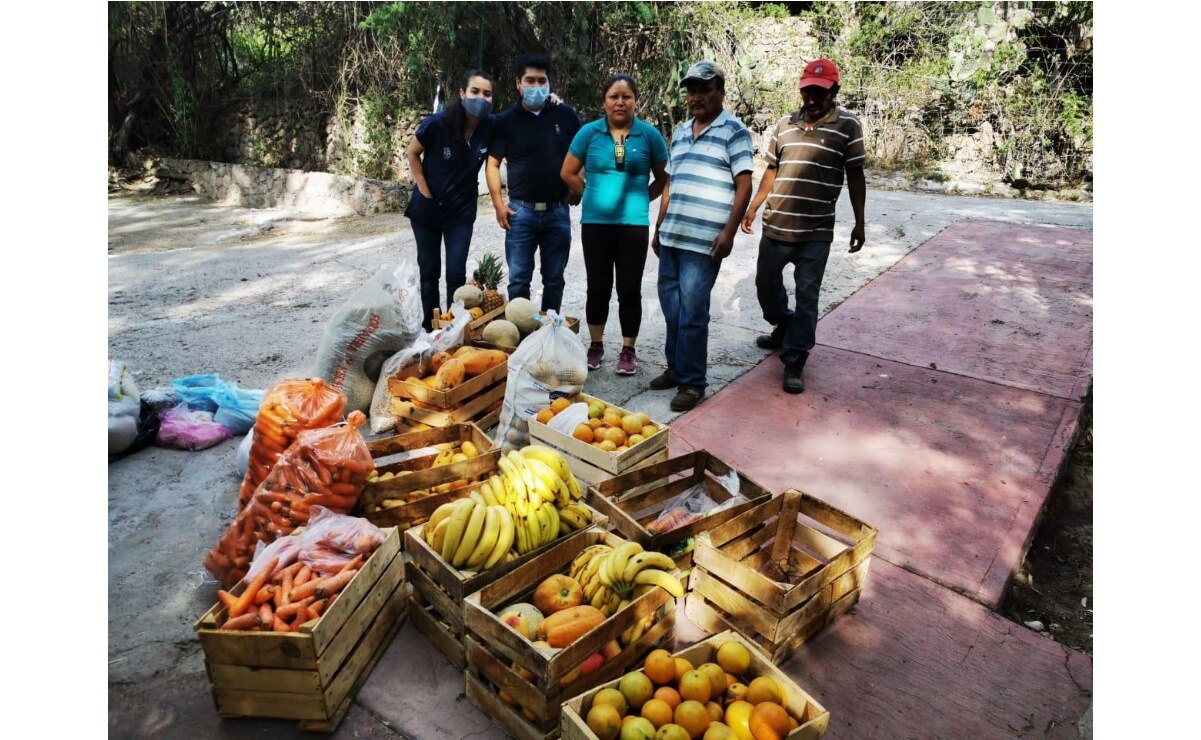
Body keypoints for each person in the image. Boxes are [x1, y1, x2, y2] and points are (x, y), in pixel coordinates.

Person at [741, 58, 866, 394]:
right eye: (807, 91)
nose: (811, 99)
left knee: (808, 296)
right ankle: (783, 323)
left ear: (834, 91)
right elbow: (771, 170)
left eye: (819, 93)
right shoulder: (784, 124)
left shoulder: (848, 127)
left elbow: (855, 176)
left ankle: (795, 359)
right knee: (765, 286)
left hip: (816, 232)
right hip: (776, 225)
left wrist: (860, 222)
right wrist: (753, 206)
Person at [649, 61, 754, 411]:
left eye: (704, 89)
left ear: (720, 91)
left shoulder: (734, 131)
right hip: (673, 236)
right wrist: (659, 226)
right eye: (692, 90)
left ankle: (693, 383)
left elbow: (744, 184)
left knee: (693, 312)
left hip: (704, 242)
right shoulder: (679, 132)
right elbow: (670, 183)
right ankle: (676, 368)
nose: (697, 97)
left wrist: (730, 232)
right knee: (672, 309)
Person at [560, 74, 669, 375]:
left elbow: (664, 177)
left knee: (629, 289)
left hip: (633, 226)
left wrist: (642, 199)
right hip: (596, 224)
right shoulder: (589, 133)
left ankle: (628, 349)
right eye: (614, 97)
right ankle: (596, 345)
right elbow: (568, 172)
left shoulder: (649, 135)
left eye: (627, 96)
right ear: (604, 102)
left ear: (636, 100)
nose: (620, 102)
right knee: (598, 287)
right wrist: (590, 193)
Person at [485, 54, 582, 314]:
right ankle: (521, 337)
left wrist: (578, 183)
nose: (536, 86)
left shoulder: (566, 115)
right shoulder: (506, 121)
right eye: (530, 80)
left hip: (557, 212)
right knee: (518, 281)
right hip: (520, 213)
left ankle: (550, 335)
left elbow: (583, 153)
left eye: (542, 80)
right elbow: (492, 163)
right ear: (518, 83)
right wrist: (498, 205)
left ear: (550, 83)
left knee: (554, 280)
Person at [404, 69, 497, 331]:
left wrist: (552, 101)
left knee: (456, 273)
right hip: (427, 211)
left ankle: (453, 329)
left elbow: (521, 119)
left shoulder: (491, 126)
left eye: (487, 94)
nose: (481, 98)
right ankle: (430, 329)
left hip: (461, 212)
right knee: (429, 273)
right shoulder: (438, 123)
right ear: (461, 93)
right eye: (475, 91)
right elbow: (412, 153)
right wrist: (424, 189)